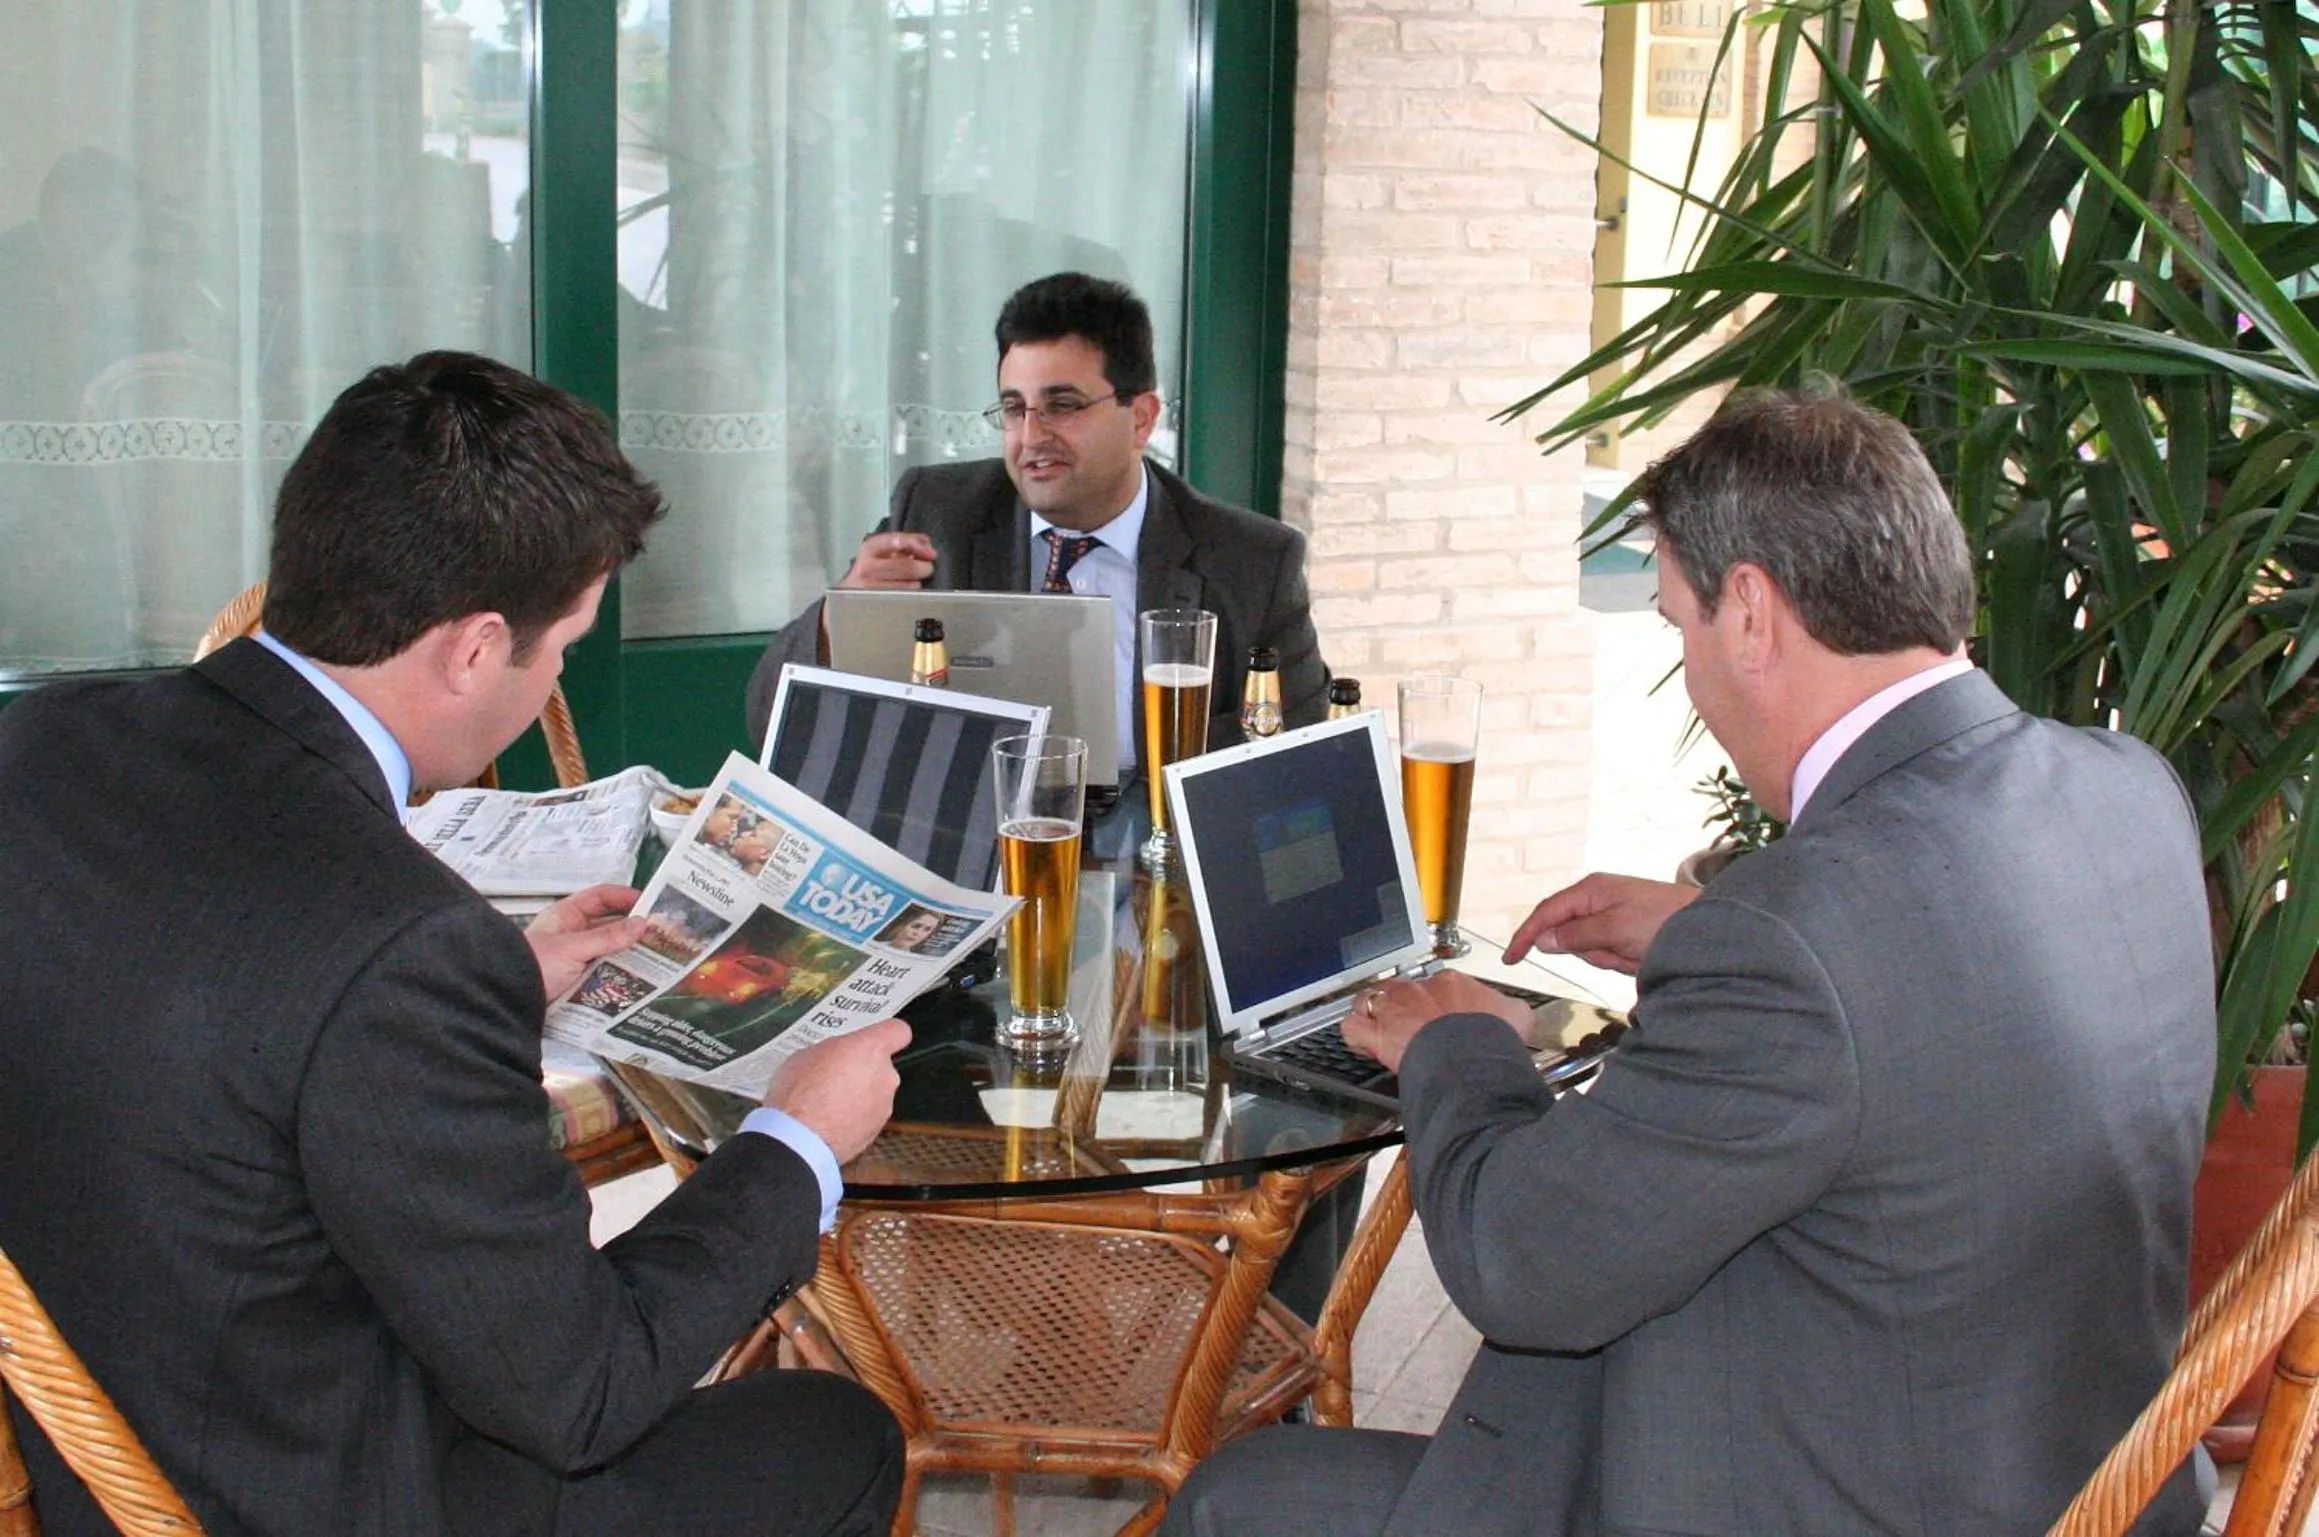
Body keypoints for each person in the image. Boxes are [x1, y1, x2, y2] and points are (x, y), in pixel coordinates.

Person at [1163, 388, 2217, 1536]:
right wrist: (1699, 931)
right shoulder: (2125, 789)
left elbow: (1526, 1264)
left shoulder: (1797, 941)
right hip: (2057, 1470)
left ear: (1752, 612)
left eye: (1675, 623)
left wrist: (1455, 1041)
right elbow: (1948, 991)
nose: (1690, 667)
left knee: (1237, 1497)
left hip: (1821, 1493)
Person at [0, 351, 906, 1537]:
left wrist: (495, 984)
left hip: (104, 1394)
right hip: (292, 1484)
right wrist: (798, 1139)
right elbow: (582, 1394)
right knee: (831, 1432)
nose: (557, 673)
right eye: (566, 644)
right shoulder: (401, 942)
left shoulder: (46, 741)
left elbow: (197, 994)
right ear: (478, 648)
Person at [743, 271, 1331, 770]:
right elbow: (772, 721)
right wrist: (838, 616)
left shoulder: (1252, 561)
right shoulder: (939, 513)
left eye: (1063, 406)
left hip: (1154, 859)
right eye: (1013, 408)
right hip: (976, 848)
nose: (1031, 437)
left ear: (1141, 419)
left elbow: (1297, 757)